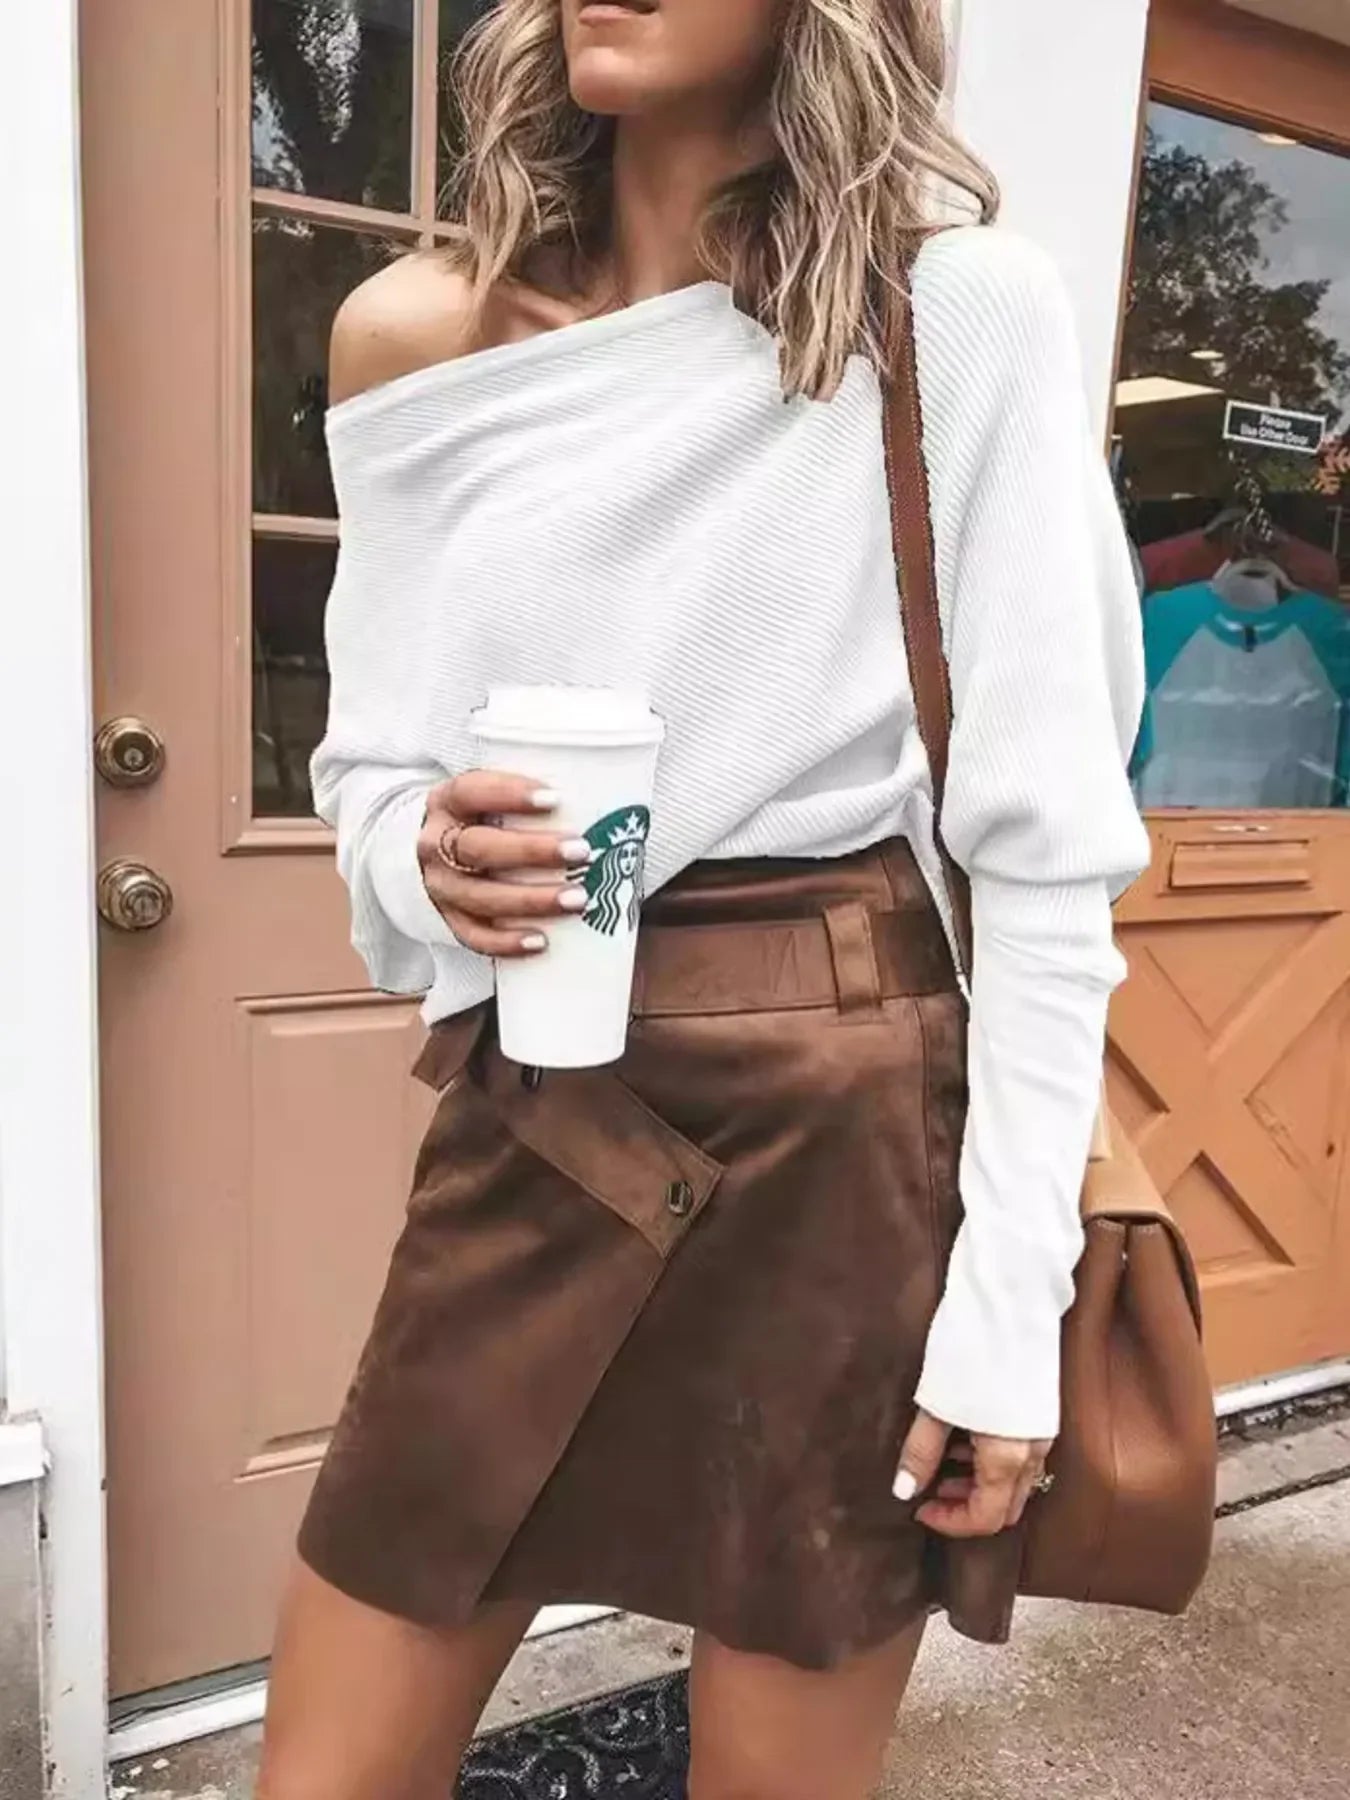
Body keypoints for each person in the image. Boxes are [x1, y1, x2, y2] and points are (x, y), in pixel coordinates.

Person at [256, 1, 1151, 1795]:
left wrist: (1003, 1323)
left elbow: (1042, 858)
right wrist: (416, 857)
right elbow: (366, 764)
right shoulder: (411, 336)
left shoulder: (957, 308)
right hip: (541, 1108)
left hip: (847, 1122)